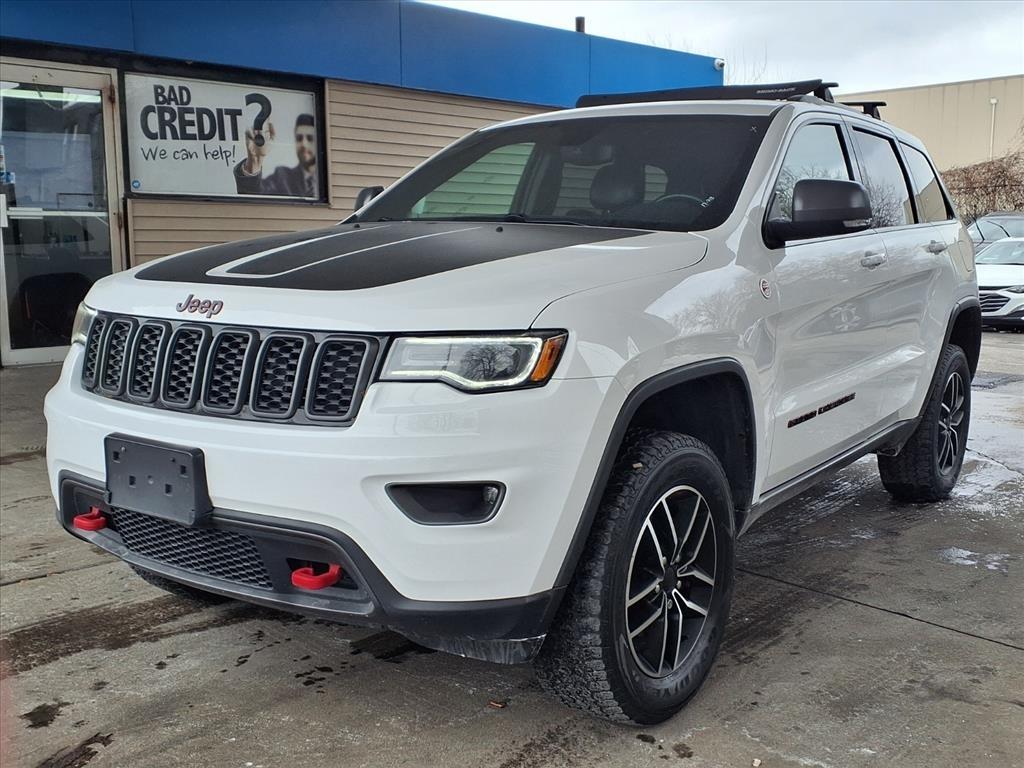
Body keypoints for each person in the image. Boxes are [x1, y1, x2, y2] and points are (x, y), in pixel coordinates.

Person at [234, 113, 317, 197]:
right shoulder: (282, 178)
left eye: (310, 138)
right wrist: (255, 159)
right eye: (299, 138)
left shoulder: (327, 180)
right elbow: (254, 195)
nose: (304, 144)